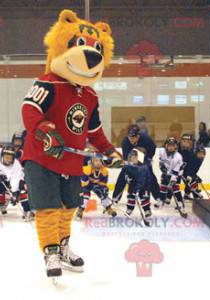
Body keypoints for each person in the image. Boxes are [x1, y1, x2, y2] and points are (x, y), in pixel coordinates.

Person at [21, 10, 122, 280]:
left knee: (68, 208)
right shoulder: (47, 82)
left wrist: (109, 150)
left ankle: (63, 247)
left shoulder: (89, 94)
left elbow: (94, 130)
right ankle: (50, 251)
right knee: (48, 208)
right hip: (42, 157)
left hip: (72, 161)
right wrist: (44, 130)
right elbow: (29, 109)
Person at [121, 124, 161, 202]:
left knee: (150, 176)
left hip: (144, 159)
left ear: (138, 136)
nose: (131, 139)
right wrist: (128, 164)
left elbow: (153, 147)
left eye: (134, 137)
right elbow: (125, 156)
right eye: (130, 137)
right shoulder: (125, 141)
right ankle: (116, 197)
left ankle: (157, 197)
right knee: (123, 175)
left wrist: (149, 158)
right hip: (131, 159)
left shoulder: (146, 139)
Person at [113, 149, 152, 218]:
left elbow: (142, 180)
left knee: (143, 197)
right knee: (131, 196)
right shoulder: (128, 167)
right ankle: (129, 209)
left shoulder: (143, 167)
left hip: (144, 185)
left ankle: (147, 210)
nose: (133, 159)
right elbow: (125, 176)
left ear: (139, 158)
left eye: (135, 157)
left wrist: (137, 189)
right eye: (132, 158)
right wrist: (127, 177)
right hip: (133, 184)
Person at [0, 145, 34, 221]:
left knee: (21, 190)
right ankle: (3, 202)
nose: (8, 160)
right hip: (3, 179)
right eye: (6, 157)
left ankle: (27, 210)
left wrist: (15, 194)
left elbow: (16, 180)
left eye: (10, 158)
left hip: (11, 179)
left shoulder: (16, 165)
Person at [155, 137, 185, 213]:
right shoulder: (162, 152)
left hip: (176, 174)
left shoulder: (178, 157)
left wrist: (172, 180)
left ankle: (180, 203)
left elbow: (177, 170)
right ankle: (161, 201)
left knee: (175, 189)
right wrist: (163, 169)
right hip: (166, 173)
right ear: (166, 146)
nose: (171, 147)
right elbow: (161, 162)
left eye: (172, 145)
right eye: (169, 145)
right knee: (163, 187)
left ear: (175, 146)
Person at [178, 133, 204, 201]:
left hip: (186, 171)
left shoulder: (193, 153)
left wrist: (191, 175)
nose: (186, 143)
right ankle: (165, 197)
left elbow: (193, 166)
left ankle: (189, 194)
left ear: (191, 143)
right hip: (177, 171)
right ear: (181, 142)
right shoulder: (177, 151)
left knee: (191, 180)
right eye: (184, 141)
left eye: (188, 141)